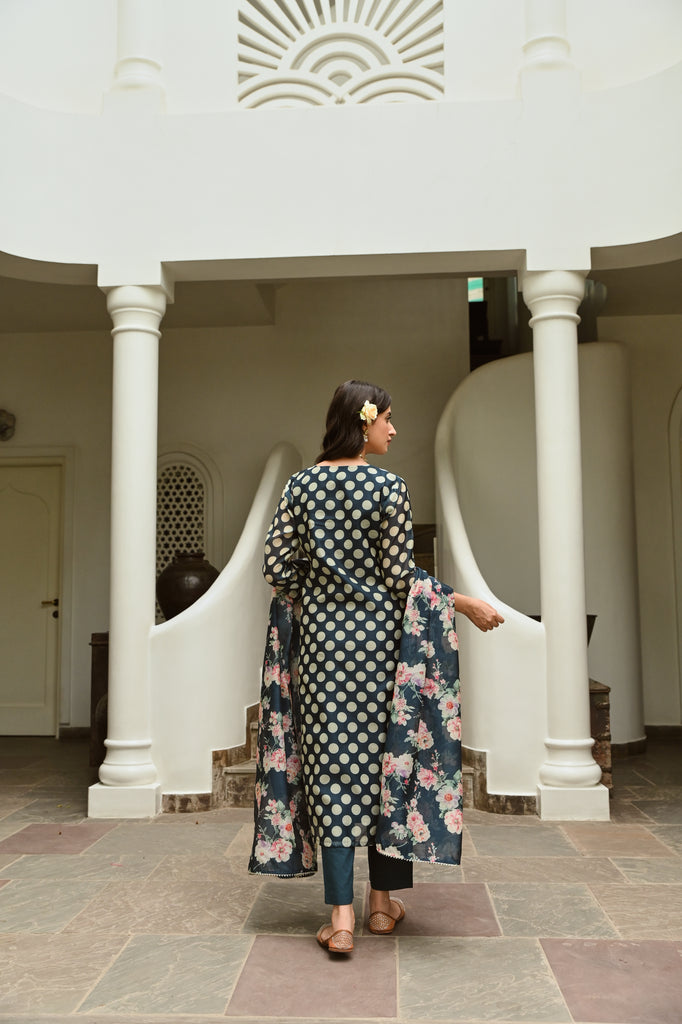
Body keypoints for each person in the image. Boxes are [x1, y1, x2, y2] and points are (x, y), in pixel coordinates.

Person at [260, 379, 503, 953]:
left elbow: (276, 567)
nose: (393, 429)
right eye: (387, 419)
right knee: (386, 766)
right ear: (362, 422)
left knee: (333, 770)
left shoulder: (300, 486)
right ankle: (380, 905)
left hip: (321, 650)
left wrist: (318, 592)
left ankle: (341, 917)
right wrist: (461, 602)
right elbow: (399, 578)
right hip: (379, 650)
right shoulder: (389, 488)